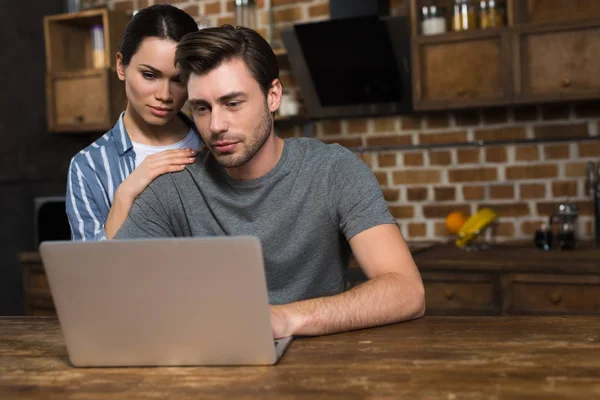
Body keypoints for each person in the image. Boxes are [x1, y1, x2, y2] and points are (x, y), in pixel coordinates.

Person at [115, 25, 425, 338]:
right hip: (213, 364)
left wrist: (284, 320)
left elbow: (406, 291)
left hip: (326, 366)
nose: (216, 125)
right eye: (202, 108)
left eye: (233, 103)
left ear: (273, 96)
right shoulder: (173, 187)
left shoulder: (334, 170)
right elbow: (117, 294)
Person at [66, 5, 202, 240]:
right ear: (121, 66)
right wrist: (125, 194)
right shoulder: (88, 166)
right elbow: (89, 272)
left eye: (179, 79)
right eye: (150, 75)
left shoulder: (214, 143)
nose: (164, 95)